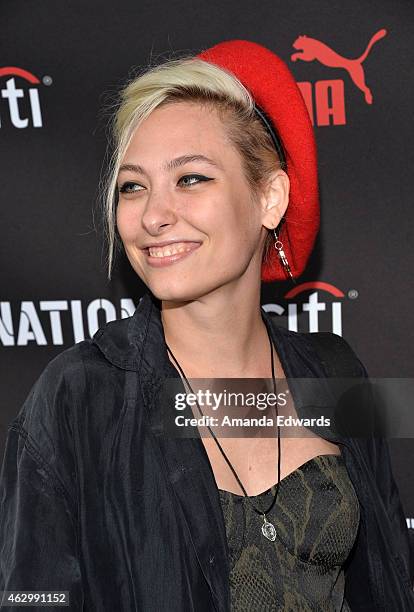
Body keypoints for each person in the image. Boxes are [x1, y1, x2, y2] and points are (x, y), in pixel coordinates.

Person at [0, 39, 413, 612]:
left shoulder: (335, 371)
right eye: (132, 186)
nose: (152, 215)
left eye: (191, 178)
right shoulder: (80, 398)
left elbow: (389, 579)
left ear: (269, 198)